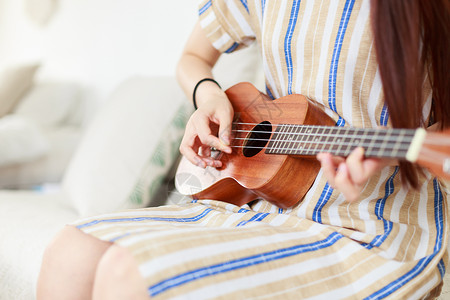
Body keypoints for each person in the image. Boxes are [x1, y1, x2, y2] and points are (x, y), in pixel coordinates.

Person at [37, 0, 449, 299]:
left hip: (372, 230)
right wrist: (207, 95)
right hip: (263, 206)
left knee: (130, 274)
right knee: (69, 252)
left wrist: (384, 153)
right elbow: (193, 57)